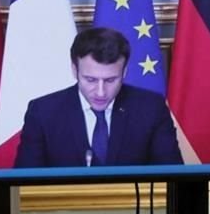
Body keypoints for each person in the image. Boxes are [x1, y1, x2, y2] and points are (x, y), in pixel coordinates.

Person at [14, 27, 183, 167]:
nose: (101, 92)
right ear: (74, 70)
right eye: (91, 80)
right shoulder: (43, 113)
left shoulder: (151, 109)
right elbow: (23, 185)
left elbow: (172, 177)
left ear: (124, 72)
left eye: (110, 80)